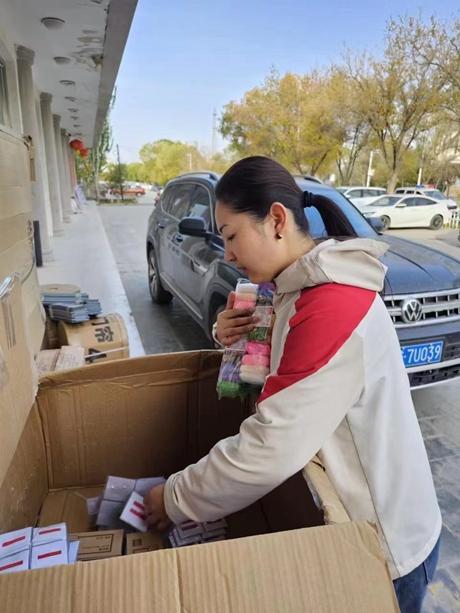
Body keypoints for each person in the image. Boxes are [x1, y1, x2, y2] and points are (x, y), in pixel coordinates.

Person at [144, 156, 441, 612]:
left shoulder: (330, 304)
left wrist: (175, 497)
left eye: (231, 235)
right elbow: (268, 379)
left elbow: (270, 447)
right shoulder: (290, 290)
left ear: (277, 220)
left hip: (386, 544)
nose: (227, 254)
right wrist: (231, 339)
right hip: (352, 519)